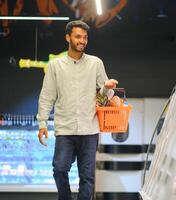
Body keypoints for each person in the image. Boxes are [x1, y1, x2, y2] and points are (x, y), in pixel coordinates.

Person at [37, 20, 118, 200]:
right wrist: (42, 123)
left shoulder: (96, 63)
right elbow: (47, 96)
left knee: (87, 178)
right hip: (65, 130)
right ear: (68, 38)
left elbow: (102, 99)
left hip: (89, 130)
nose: (82, 40)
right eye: (78, 37)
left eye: (85, 37)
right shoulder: (55, 66)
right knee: (59, 169)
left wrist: (107, 89)